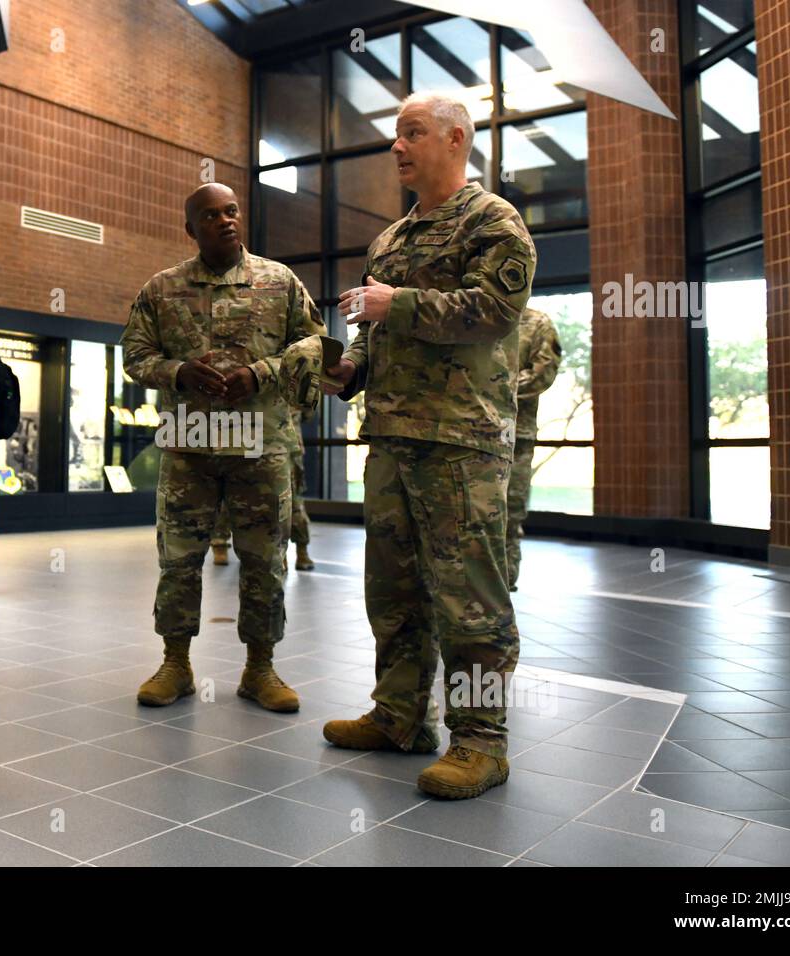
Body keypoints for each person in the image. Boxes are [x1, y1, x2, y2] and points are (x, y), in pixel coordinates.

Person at [320, 92, 536, 799]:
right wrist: (348, 368)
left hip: (461, 445)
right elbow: (371, 332)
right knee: (394, 590)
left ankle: (481, 741)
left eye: (412, 133)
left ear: (455, 138)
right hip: (390, 438)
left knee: (470, 598)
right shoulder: (391, 238)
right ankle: (400, 716)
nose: (397, 147)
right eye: (395, 135)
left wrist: (396, 305)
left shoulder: (494, 223)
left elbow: (493, 314)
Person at [121, 183, 324, 713]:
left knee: (263, 559)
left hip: (261, 447)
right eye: (210, 215)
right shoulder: (162, 289)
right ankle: (175, 663)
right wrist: (177, 371)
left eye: (231, 210)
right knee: (179, 559)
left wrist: (261, 374)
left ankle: (261, 668)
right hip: (189, 448)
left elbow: (314, 348)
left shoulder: (279, 282)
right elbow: (135, 355)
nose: (225, 220)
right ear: (191, 229)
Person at [210, 406, 315, 571]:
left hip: (253, 442)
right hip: (282, 445)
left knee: (233, 496)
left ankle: (220, 545)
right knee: (290, 502)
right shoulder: (290, 385)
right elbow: (308, 411)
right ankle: (295, 553)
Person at [507, 307, 562, 591]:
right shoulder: (466, 314)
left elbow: (543, 372)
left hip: (514, 436)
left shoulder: (536, 322)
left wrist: (489, 391)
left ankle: (502, 593)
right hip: (460, 433)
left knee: (508, 513)